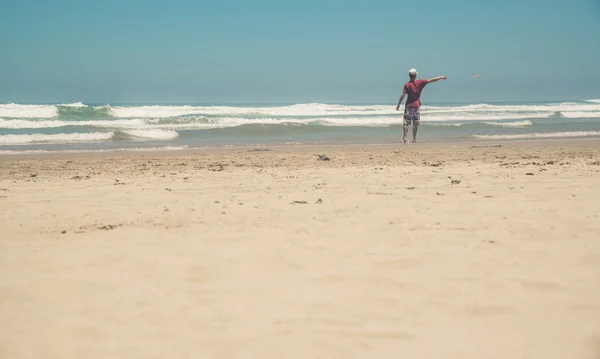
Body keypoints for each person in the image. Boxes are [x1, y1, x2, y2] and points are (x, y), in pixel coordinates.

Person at [396, 69, 446, 143]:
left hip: (408, 106)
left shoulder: (407, 85)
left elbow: (402, 95)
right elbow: (430, 80)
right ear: (415, 75)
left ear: (409, 76)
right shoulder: (420, 82)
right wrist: (440, 77)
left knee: (406, 123)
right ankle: (414, 138)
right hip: (416, 106)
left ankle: (405, 137)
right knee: (415, 123)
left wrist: (398, 105)